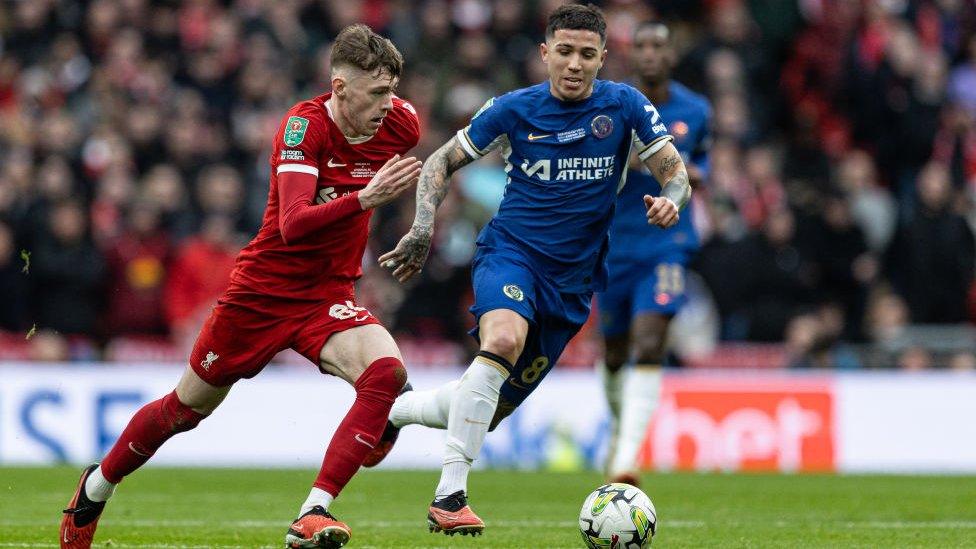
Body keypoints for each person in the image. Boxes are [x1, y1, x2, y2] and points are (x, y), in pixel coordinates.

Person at [60, 24, 422, 549]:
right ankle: (95, 488)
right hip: (262, 295)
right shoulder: (303, 128)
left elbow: (418, 170)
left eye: (392, 90)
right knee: (184, 411)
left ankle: (313, 512)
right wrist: (365, 199)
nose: (389, 104)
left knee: (387, 373)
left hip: (327, 295)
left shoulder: (401, 124)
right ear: (340, 87)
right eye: (376, 93)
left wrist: (420, 225)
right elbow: (292, 224)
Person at [373, 4, 690, 536]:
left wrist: (671, 200)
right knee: (502, 340)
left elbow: (674, 173)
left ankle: (398, 412)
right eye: (563, 52)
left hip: (572, 286)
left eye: (587, 55)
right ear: (545, 54)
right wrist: (423, 226)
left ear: (603, 58)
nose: (574, 64)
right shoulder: (514, 110)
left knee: (488, 408)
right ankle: (449, 496)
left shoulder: (626, 106)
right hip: (512, 253)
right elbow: (439, 162)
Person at [597, 22, 712, 487]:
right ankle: (621, 436)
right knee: (614, 352)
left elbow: (702, 163)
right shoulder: (612, 106)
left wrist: (685, 175)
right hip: (613, 245)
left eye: (657, 46)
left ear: (671, 55)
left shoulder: (695, 109)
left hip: (668, 244)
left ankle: (626, 460)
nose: (649, 54)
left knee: (649, 342)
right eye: (640, 46)